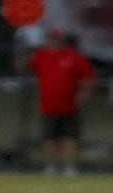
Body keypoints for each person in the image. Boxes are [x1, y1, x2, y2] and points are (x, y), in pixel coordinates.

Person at [31, 26, 95, 176]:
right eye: (51, 38)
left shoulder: (74, 57)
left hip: (70, 106)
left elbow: (88, 77)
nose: (53, 41)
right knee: (49, 140)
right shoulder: (41, 56)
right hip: (48, 107)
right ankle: (51, 166)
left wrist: (83, 95)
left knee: (69, 139)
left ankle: (69, 167)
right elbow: (24, 67)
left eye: (56, 38)